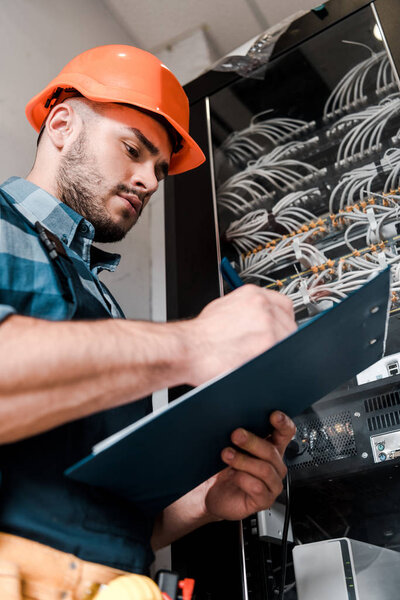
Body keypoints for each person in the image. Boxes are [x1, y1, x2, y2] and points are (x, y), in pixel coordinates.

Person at [0, 45, 297, 599]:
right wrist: (196, 342)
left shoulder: (103, 301)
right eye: (133, 150)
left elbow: (100, 519)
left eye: (159, 169)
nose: (150, 181)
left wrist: (205, 502)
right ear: (62, 125)